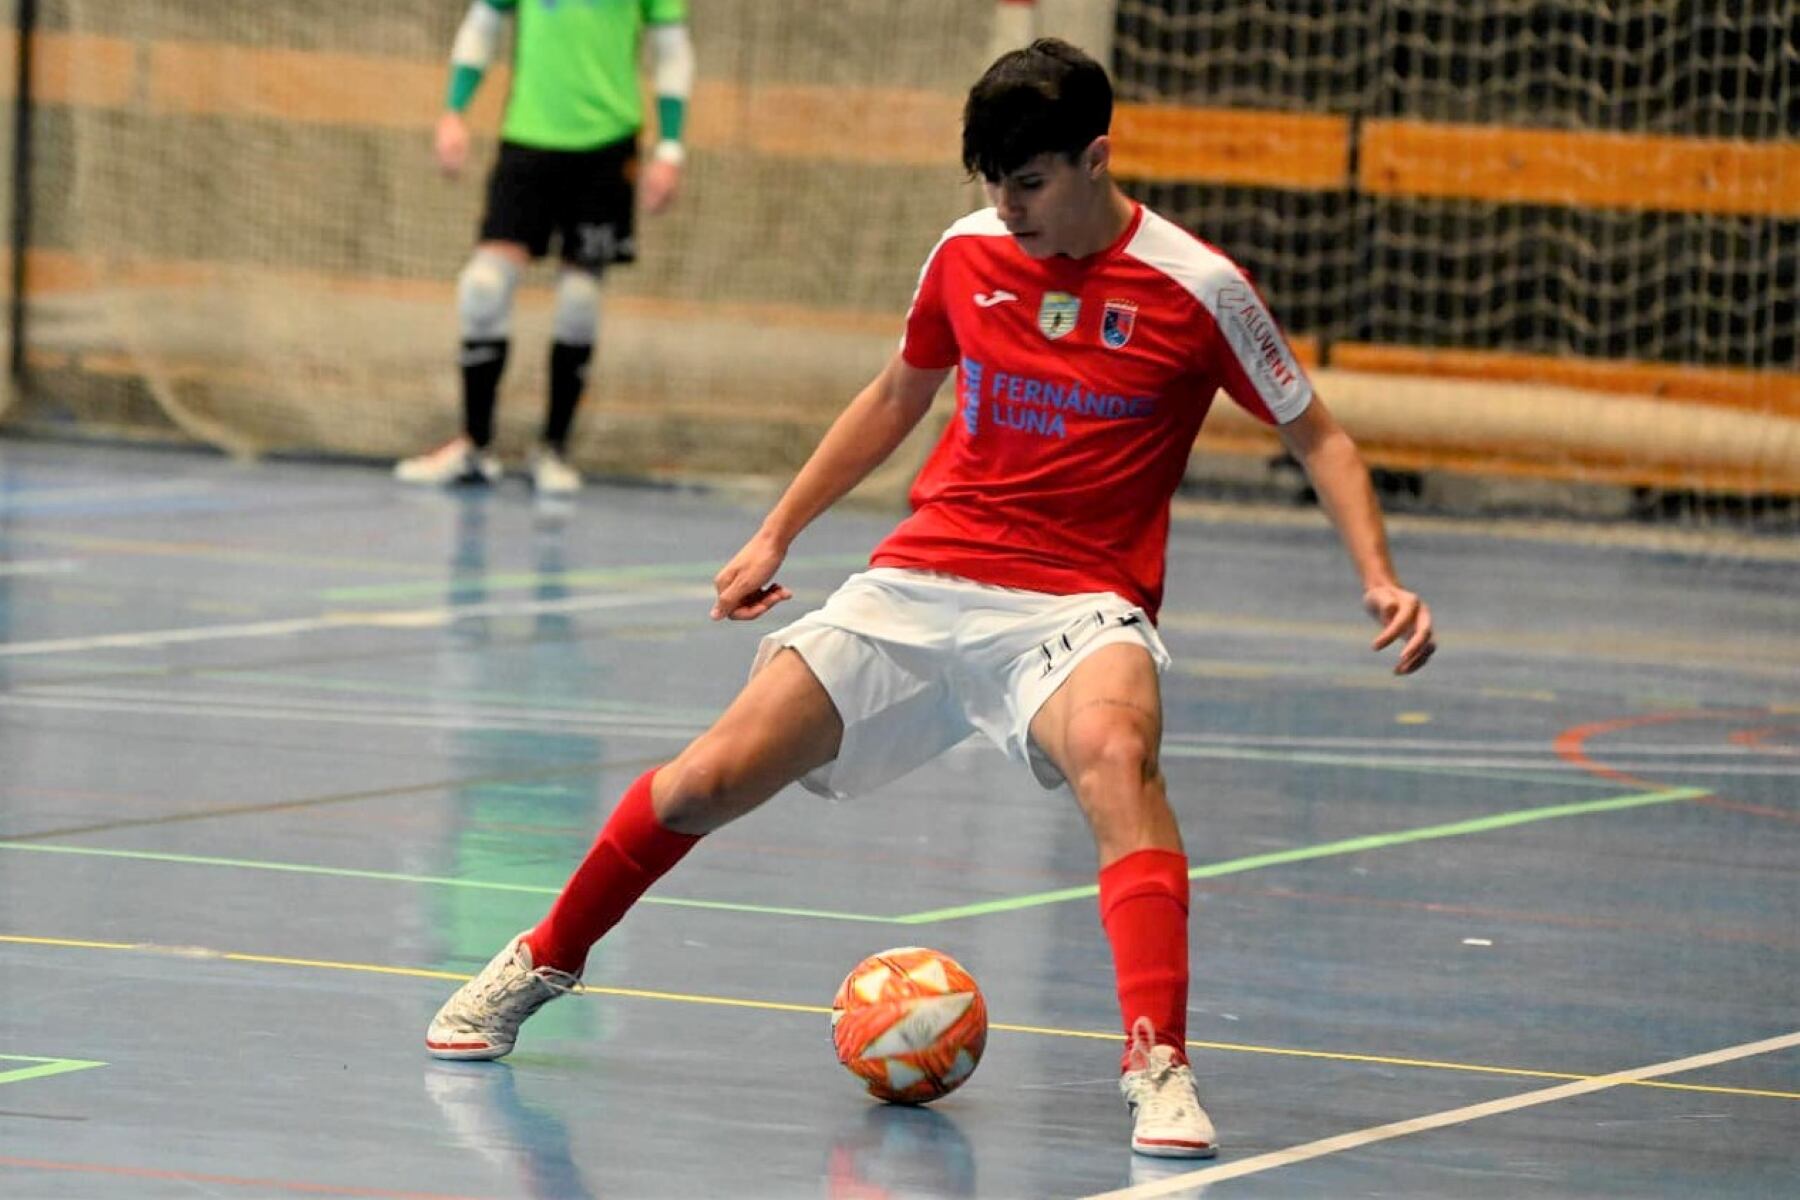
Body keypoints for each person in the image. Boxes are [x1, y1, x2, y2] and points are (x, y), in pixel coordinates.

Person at [424, 38, 1436, 1159]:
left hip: (1077, 605)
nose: (1007, 209)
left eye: (1030, 183)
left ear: (1097, 157)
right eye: (992, 186)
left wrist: (1378, 575)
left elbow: (1320, 436)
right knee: (708, 774)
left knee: (1115, 751)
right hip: (921, 578)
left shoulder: (1199, 288)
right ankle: (541, 958)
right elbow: (897, 391)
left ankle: (1159, 1062)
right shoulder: (965, 254)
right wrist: (777, 531)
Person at [396, 0, 695, 496]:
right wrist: (454, 110)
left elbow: (672, 49)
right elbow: (483, 22)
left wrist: (670, 147)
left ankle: (553, 450)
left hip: (607, 145)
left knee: (579, 300)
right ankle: (475, 444)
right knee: (483, 287)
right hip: (528, 140)